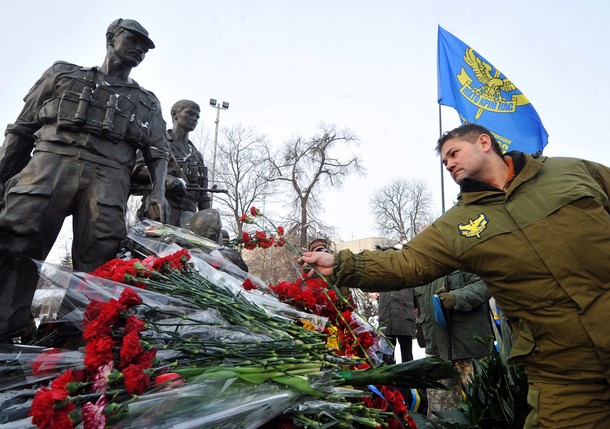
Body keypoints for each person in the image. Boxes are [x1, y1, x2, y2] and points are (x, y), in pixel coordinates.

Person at [299, 123, 610, 428]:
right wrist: (339, 265)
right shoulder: (458, 224)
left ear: (484, 143)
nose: (448, 163)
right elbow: (407, 262)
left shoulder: (570, 172)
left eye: (453, 153)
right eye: (444, 160)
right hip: (563, 369)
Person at [0, 18, 171, 343]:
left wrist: (157, 192)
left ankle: (72, 341)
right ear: (111, 37)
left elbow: (158, 152)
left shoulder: (147, 102)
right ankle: (5, 334)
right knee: (17, 240)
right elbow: (21, 130)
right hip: (51, 164)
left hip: (109, 175)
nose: (139, 50)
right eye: (132, 40)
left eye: (145, 48)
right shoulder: (62, 75)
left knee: (99, 259)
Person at [415, 271, 492, 417]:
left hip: (469, 347)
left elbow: (486, 284)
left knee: (484, 405)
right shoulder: (423, 266)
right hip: (436, 351)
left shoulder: (463, 255)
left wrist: (457, 297)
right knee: (439, 412)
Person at [133, 99, 210, 226]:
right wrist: (165, 178)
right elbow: (136, 168)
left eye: (197, 116)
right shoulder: (158, 143)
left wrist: (208, 221)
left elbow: (203, 194)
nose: (195, 119)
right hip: (159, 215)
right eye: (190, 114)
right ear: (174, 114)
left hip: (188, 221)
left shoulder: (197, 156)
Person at [377, 289, 415, 364]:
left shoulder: (409, 280)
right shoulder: (381, 280)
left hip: (404, 320)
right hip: (387, 321)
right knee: (387, 358)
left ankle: (409, 374)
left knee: (407, 358)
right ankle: (390, 374)